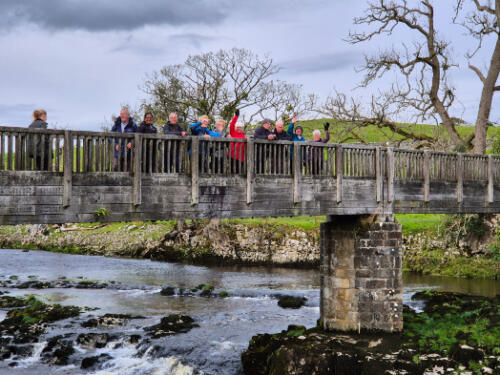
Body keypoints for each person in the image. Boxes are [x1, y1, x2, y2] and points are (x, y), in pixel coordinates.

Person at [229, 109, 246, 174]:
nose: (239, 128)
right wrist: (236, 116)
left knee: (239, 172)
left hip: (241, 157)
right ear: (235, 128)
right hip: (232, 155)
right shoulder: (233, 132)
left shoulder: (243, 135)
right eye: (237, 127)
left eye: (240, 127)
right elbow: (231, 125)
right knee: (232, 171)